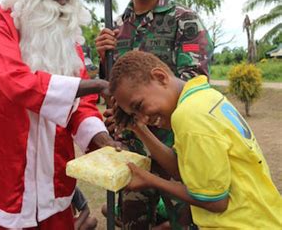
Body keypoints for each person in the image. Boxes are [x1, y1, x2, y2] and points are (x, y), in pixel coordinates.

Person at [0, 0, 118, 229]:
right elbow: (16, 83)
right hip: (4, 178)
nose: (62, 4)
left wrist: (101, 142)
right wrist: (97, 85)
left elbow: (82, 106)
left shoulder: (66, 37)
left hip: (55, 181)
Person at [95, 0, 213, 229]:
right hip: (132, 149)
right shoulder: (116, 29)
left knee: (185, 222)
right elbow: (111, 92)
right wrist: (102, 60)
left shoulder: (183, 21)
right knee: (134, 223)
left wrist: (144, 116)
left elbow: (193, 84)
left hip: (178, 148)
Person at [108, 50, 281, 229]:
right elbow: (184, 172)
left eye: (139, 106)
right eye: (134, 114)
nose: (142, 118)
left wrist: (151, 180)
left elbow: (216, 202)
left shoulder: (189, 115)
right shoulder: (205, 97)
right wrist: (139, 129)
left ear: (160, 77)